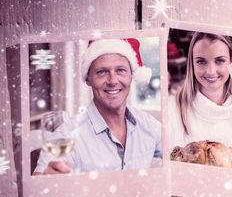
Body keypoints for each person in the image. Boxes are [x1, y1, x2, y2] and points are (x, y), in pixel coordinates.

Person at [34, 38, 162, 174]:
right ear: (88, 79)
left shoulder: (149, 125)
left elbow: (176, 156)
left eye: (120, 70)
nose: (112, 81)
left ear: (131, 75)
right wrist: (46, 178)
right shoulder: (67, 135)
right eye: (102, 72)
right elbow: (38, 183)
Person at [168, 32, 232, 161]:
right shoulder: (172, 108)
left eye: (220, 61)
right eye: (201, 61)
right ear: (192, 64)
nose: (211, 71)